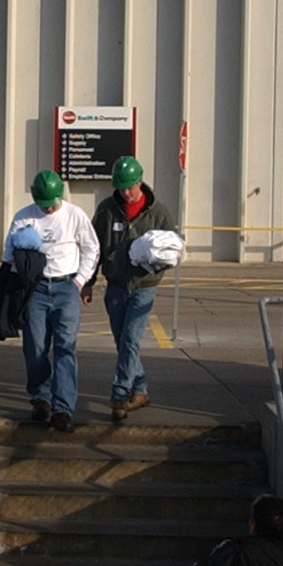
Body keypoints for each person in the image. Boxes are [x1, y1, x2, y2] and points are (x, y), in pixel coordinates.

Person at [3, 170, 99, 431]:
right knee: (35, 346)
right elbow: (9, 254)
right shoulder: (24, 217)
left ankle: (63, 408)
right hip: (36, 288)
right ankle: (40, 396)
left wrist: (80, 280)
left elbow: (92, 248)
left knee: (65, 347)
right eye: (43, 204)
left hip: (67, 286)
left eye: (52, 204)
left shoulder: (75, 215)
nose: (48, 209)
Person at [87, 155, 178, 421]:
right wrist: (88, 283)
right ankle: (140, 389)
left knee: (130, 340)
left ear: (140, 181)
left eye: (129, 187)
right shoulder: (106, 210)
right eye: (120, 188)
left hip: (144, 287)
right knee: (123, 342)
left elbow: (172, 248)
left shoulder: (158, 212)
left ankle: (119, 394)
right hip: (115, 286)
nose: (125, 193)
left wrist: (155, 263)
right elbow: (93, 249)